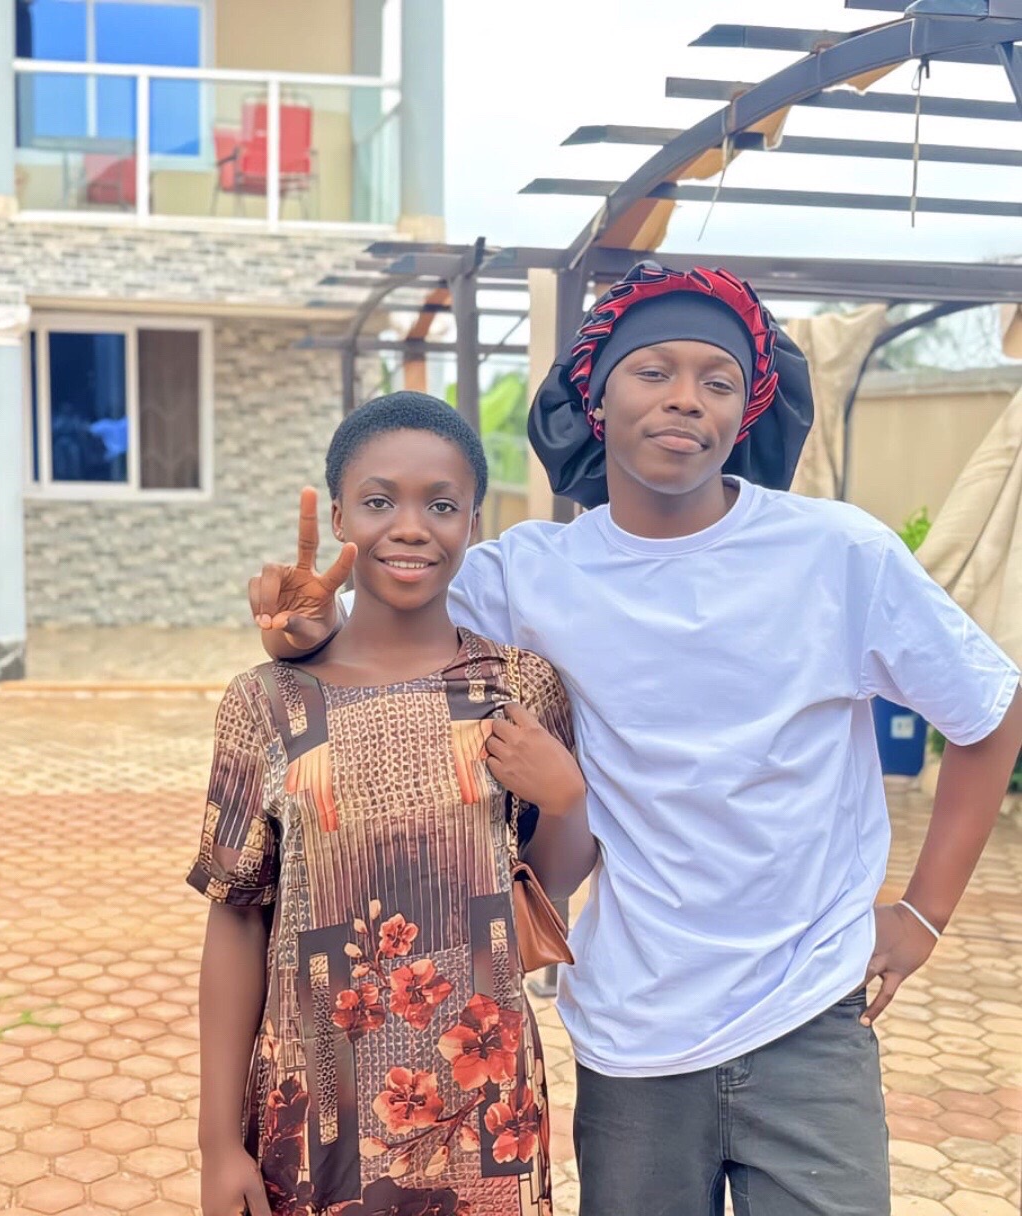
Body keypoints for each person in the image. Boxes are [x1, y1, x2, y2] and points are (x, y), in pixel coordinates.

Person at [249, 264, 1022, 1216]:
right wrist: (306, 634)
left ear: (748, 409)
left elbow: (990, 711)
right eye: (654, 371)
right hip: (633, 1031)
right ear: (595, 395)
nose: (686, 398)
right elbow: (386, 635)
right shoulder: (530, 575)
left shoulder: (836, 555)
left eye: (719, 379)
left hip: (809, 1018)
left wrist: (926, 914)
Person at [190, 392, 594, 1216]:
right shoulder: (267, 703)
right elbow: (236, 918)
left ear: (472, 523)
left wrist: (566, 801)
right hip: (313, 1112)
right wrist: (215, 1142)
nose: (411, 528)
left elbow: (543, 893)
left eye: (440, 506)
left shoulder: (518, 686)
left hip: (485, 1112)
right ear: (340, 516)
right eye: (380, 502)